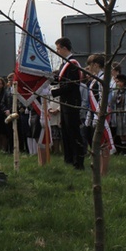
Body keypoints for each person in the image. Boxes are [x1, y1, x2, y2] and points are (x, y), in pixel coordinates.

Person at [50, 37, 86, 170]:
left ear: (65, 48)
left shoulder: (73, 64)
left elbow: (71, 85)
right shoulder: (64, 64)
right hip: (65, 102)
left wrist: (53, 93)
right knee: (65, 131)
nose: (57, 51)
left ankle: (78, 161)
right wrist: (47, 79)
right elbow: (58, 79)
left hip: (72, 102)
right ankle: (69, 158)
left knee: (73, 132)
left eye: (58, 48)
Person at [84, 53, 113, 175]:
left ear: (96, 65)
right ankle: (99, 170)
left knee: (103, 143)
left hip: (102, 114)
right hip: (95, 114)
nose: (89, 68)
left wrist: (98, 115)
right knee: (98, 143)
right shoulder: (95, 79)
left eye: (90, 65)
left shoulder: (103, 79)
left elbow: (104, 99)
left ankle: (103, 172)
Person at [109, 73, 126, 156]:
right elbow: (112, 103)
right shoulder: (116, 92)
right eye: (117, 82)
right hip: (118, 115)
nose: (118, 84)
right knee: (121, 134)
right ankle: (124, 152)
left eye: (119, 82)